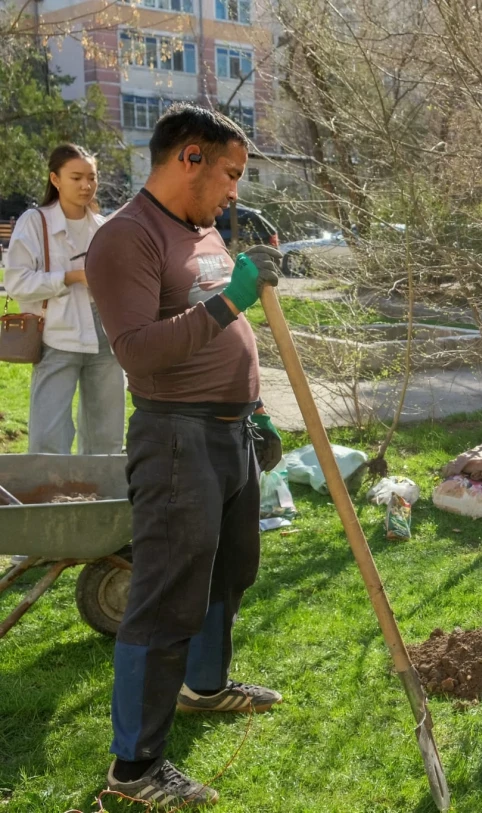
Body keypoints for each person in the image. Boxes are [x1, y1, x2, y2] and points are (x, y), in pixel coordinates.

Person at [86, 104, 284, 807]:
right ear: (189, 157)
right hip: (176, 436)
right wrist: (233, 302)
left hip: (231, 431)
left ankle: (205, 685)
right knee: (166, 598)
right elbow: (138, 350)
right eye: (229, 173)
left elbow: (216, 326)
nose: (235, 190)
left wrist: (255, 405)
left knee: (230, 572)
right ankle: (135, 768)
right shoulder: (125, 237)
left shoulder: (200, 229)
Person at [5, 144, 124, 455]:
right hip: (56, 335)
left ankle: (99, 487)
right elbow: (16, 282)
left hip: (105, 335)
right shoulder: (35, 222)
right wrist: (71, 277)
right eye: (76, 178)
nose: (86, 185)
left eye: (91, 177)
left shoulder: (103, 226)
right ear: (55, 179)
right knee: (48, 437)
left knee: (106, 437)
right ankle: (49, 488)